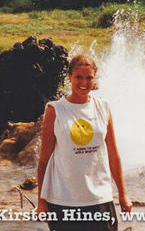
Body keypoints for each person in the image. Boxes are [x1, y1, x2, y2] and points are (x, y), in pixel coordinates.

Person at [36, 54, 132, 231]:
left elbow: (113, 154)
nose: (84, 82)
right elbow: (44, 160)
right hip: (62, 200)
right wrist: (41, 201)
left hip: (99, 198)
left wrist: (123, 194)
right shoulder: (55, 109)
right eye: (79, 77)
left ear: (94, 79)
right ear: (69, 77)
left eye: (89, 78)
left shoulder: (103, 107)